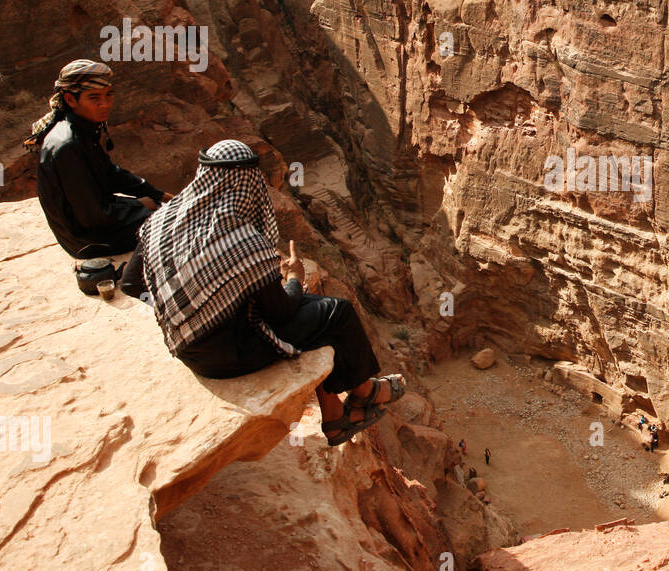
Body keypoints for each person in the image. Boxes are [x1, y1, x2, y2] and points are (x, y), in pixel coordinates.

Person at [121, 139, 403, 446]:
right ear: (246, 183)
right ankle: (364, 393)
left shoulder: (163, 219)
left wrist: (187, 307)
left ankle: (336, 418)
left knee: (315, 317)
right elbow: (281, 311)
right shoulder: (242, 240)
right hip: (228, 357)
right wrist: (294, 278)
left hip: (187, 348)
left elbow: (131, 284)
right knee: (336, 312)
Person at [25, 59, 173, 255]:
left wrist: (158, 194)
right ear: (70, 100)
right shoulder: (67, 145)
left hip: (92, 223)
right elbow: (93, 217)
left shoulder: (80, 129)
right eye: (94, 98)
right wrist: (142, 207)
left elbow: (110, 174)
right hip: (87, 240)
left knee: (158, 204)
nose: (105, 104)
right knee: (170, 222)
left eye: (108, 95)